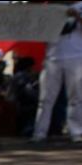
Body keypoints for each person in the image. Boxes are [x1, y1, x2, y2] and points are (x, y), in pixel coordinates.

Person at [31, 1, 82, 143]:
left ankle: (77, 132)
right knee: (45, 99)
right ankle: (39, 133)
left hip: (76, 58)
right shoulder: (49, 7)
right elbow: (38, 32)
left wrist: (77, 16)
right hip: (52, 58)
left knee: (76, 97)